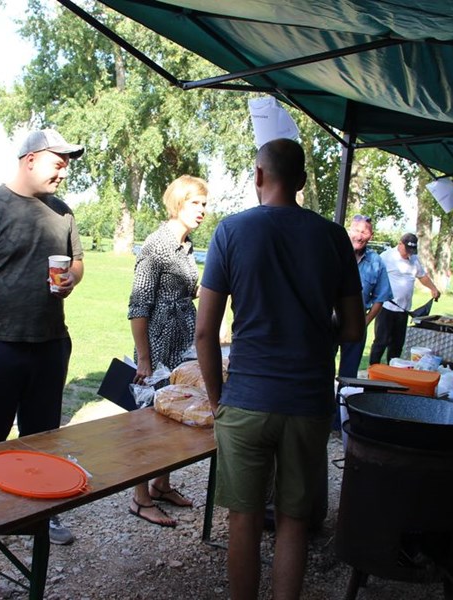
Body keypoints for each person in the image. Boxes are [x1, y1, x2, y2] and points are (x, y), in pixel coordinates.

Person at [195, 138, 364, 600]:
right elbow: (353, 329)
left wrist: (218, 402)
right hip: (308, 402)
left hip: (246, 400)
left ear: (258, 175)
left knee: (243, 519)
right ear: (302, 181)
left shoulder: (231, 231)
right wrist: (313, 328)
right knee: (294, 521)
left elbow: (205, 332)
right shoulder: (333, 237)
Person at [0, 128, 84, 546]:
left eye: (66, 165)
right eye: (57, 163)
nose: (64, 172)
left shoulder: (62, 212)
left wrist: (71, 279)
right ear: (30, 160)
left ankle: (39, 517)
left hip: (49, 344)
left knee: (41, 440)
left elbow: (77, 262)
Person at [127, 175, 207, 527]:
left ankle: (161, 485)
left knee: (174, 415)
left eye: (204, 204)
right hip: (157, 345)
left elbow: (188, 291)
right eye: (195, 203)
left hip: (182, 344)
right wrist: (144, 359)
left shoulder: (186, 246)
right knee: (147, 421)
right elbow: (138, 305)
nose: (202, 210)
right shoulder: (156, 245)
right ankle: (140, 498)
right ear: (177, 203)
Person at [369, 232, 440, 364]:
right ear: (400, 244)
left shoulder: (414, 259)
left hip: (403, 310)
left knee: (397, 344)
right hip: (386, 307)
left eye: (411, 251)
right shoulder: (386, 256)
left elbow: (422, 276)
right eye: (407, 250)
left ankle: (393, 369)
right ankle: (373, 369)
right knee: (381, 341)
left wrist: (433, 288)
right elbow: (374, 275)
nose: (409, 254)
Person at [338, 215, 392, 378]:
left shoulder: (376, 262)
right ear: (349, 231)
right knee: (321, 369)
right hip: (328, 321)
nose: (359, 236)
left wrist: (364, 323)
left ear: (371, 236)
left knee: (348, 375)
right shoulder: (334, 252)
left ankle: (344, 394)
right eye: (356, 230)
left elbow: (381, 297)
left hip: (356, 322)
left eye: (364, 232)